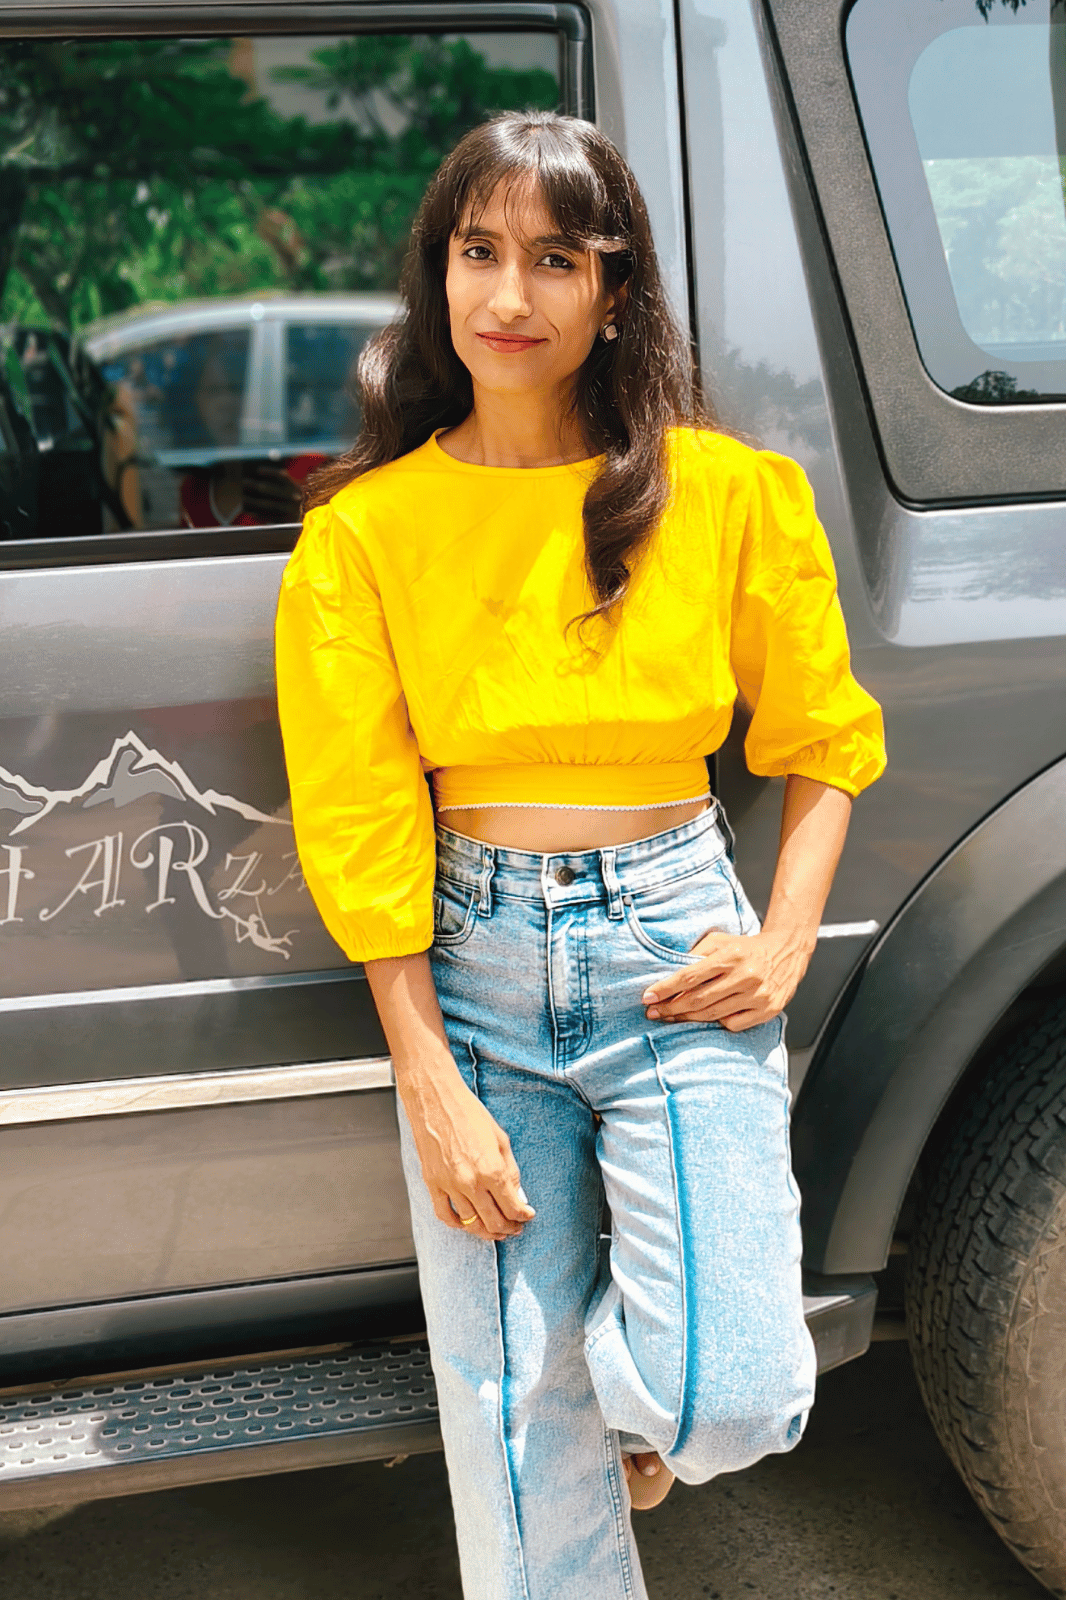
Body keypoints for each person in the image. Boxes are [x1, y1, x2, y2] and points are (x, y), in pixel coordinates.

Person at [274, 112, 886, 1600]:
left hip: (678, 939)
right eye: (478, 253)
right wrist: (425, 1076)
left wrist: (786, 940)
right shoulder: (365, 532)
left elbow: (821, 740)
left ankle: (609, 1411)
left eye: (554, 259)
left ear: (614, 293)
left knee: (729, 1392)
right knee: (507, 1442)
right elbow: (358, 816)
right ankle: (548, 1428)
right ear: (436, 279)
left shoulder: (721, 494)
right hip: (470, 965)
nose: (508, 296)